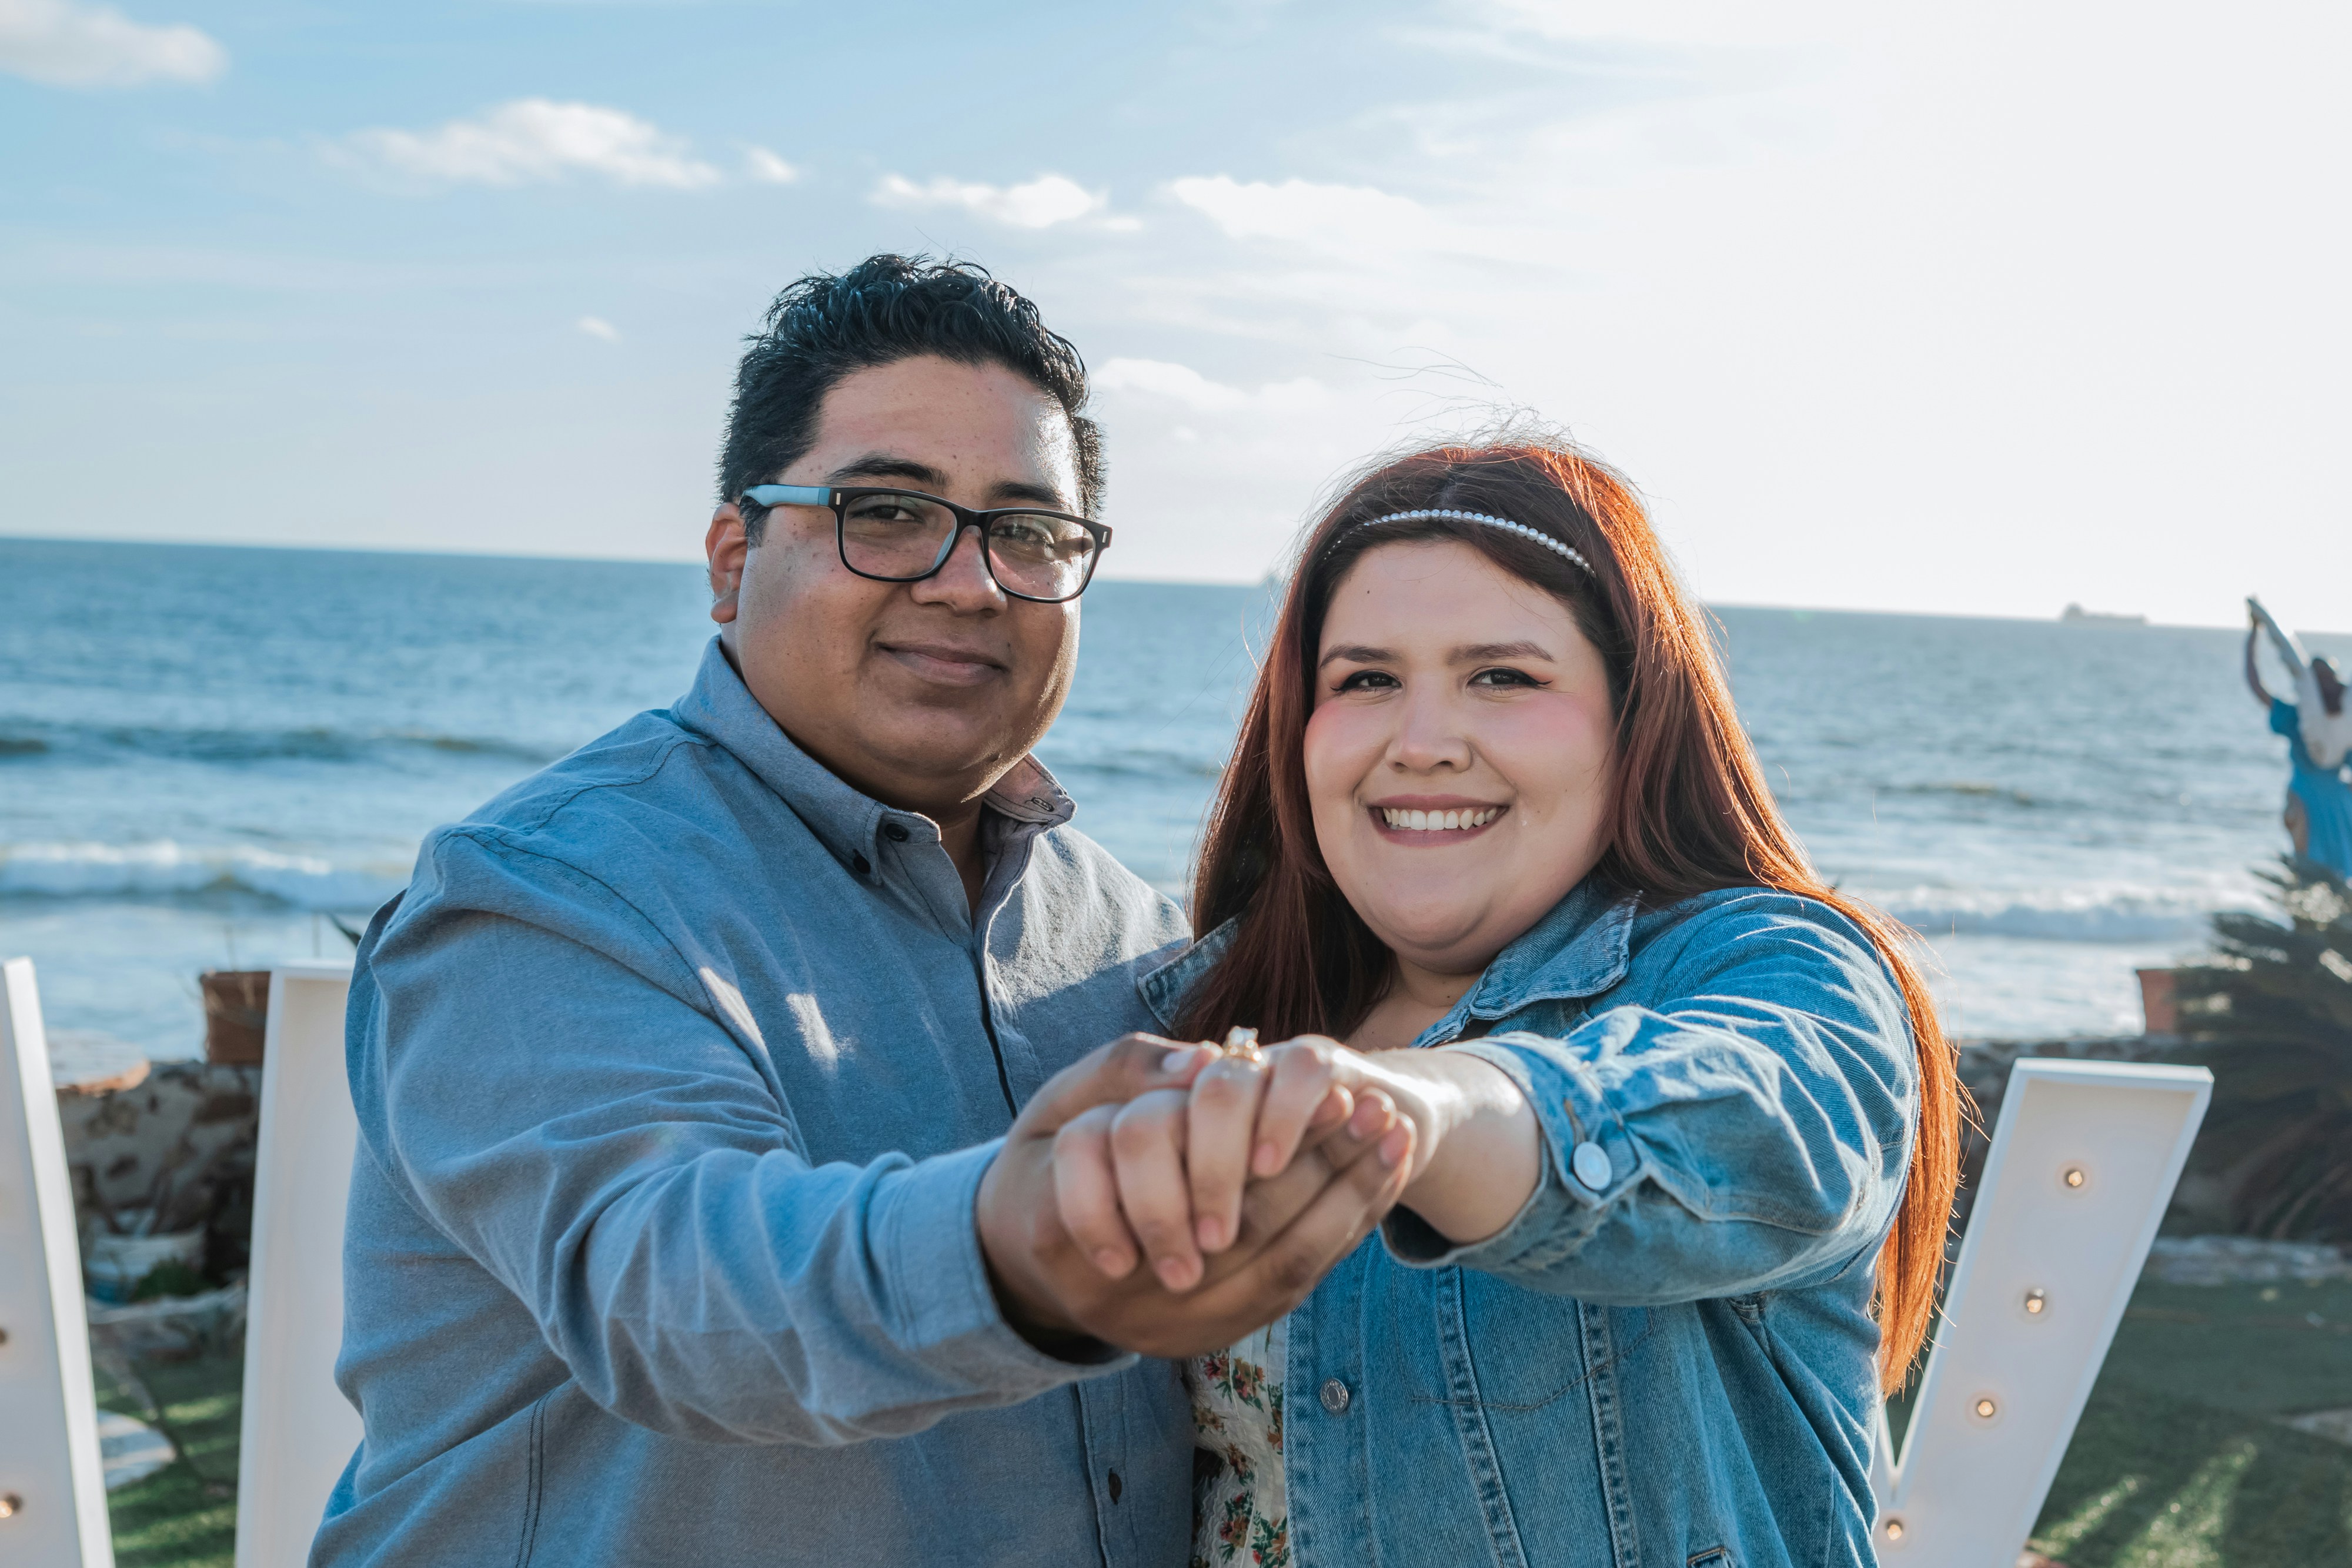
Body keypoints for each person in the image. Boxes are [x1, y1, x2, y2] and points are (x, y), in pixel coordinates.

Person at [315, 256, 1412, 1567]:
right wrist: (1017, 1253)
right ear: (734, 559)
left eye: (1028, 531)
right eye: (885, 511)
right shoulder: (543, 897)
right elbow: (680, 1290)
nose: (970, 582)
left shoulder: (1121, 936)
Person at [1047, 440, 1963, 1567]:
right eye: (1366, 679)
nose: (1422, 743)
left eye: (1505, 677)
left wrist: (1411, 1112)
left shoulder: (1777, 966)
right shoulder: (1197, 1012)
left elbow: (1762, 1123)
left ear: (1634, 723)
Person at [2244, 607, 2352, 879]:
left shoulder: (2298, 719)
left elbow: (2257, 686)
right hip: (2337, 806)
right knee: (2340, 878)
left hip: (2304, 799)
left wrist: (2253, 635)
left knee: (2307, 876)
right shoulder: (2343, 727)